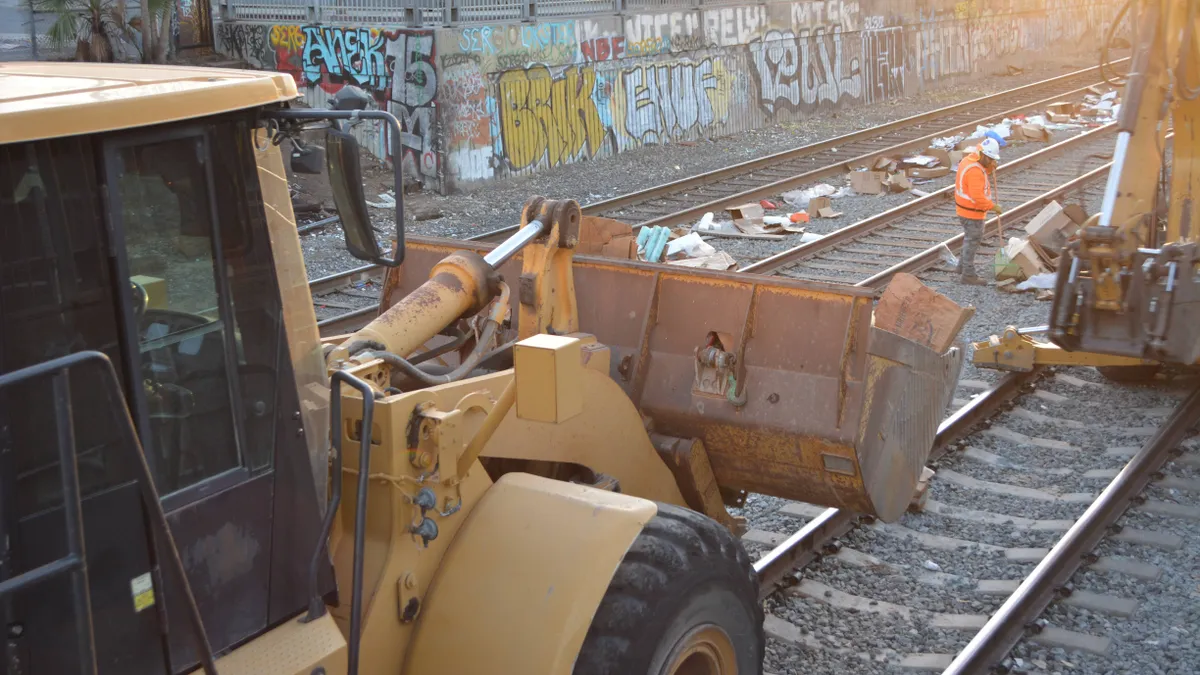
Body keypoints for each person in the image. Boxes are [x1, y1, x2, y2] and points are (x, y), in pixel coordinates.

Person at [954, 136, 1003, 285]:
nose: (991, 161)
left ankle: (961, 267)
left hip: (965, 210)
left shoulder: (969, 160)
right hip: (972, 212)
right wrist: (992, 206)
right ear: (983, 154)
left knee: (969, 238)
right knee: (972, 241)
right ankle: (968, 275)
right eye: (990, 159)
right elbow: (977, 196)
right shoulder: (975, 171)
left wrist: (989, 167)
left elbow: (982, 169)